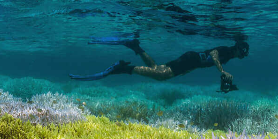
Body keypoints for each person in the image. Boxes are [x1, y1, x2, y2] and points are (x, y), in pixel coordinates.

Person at [69, 35, 249, 93]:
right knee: (162, 76)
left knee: (157, 69)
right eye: (243, 52)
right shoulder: (226, 51)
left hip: (191, 62)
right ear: (238, 48)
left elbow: (209, 60)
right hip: (191, 59)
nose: (242, 55)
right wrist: (222, 71)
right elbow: (213, 54)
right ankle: (123, 68)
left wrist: (189, 70)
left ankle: (136, 47)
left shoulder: (230, 56)